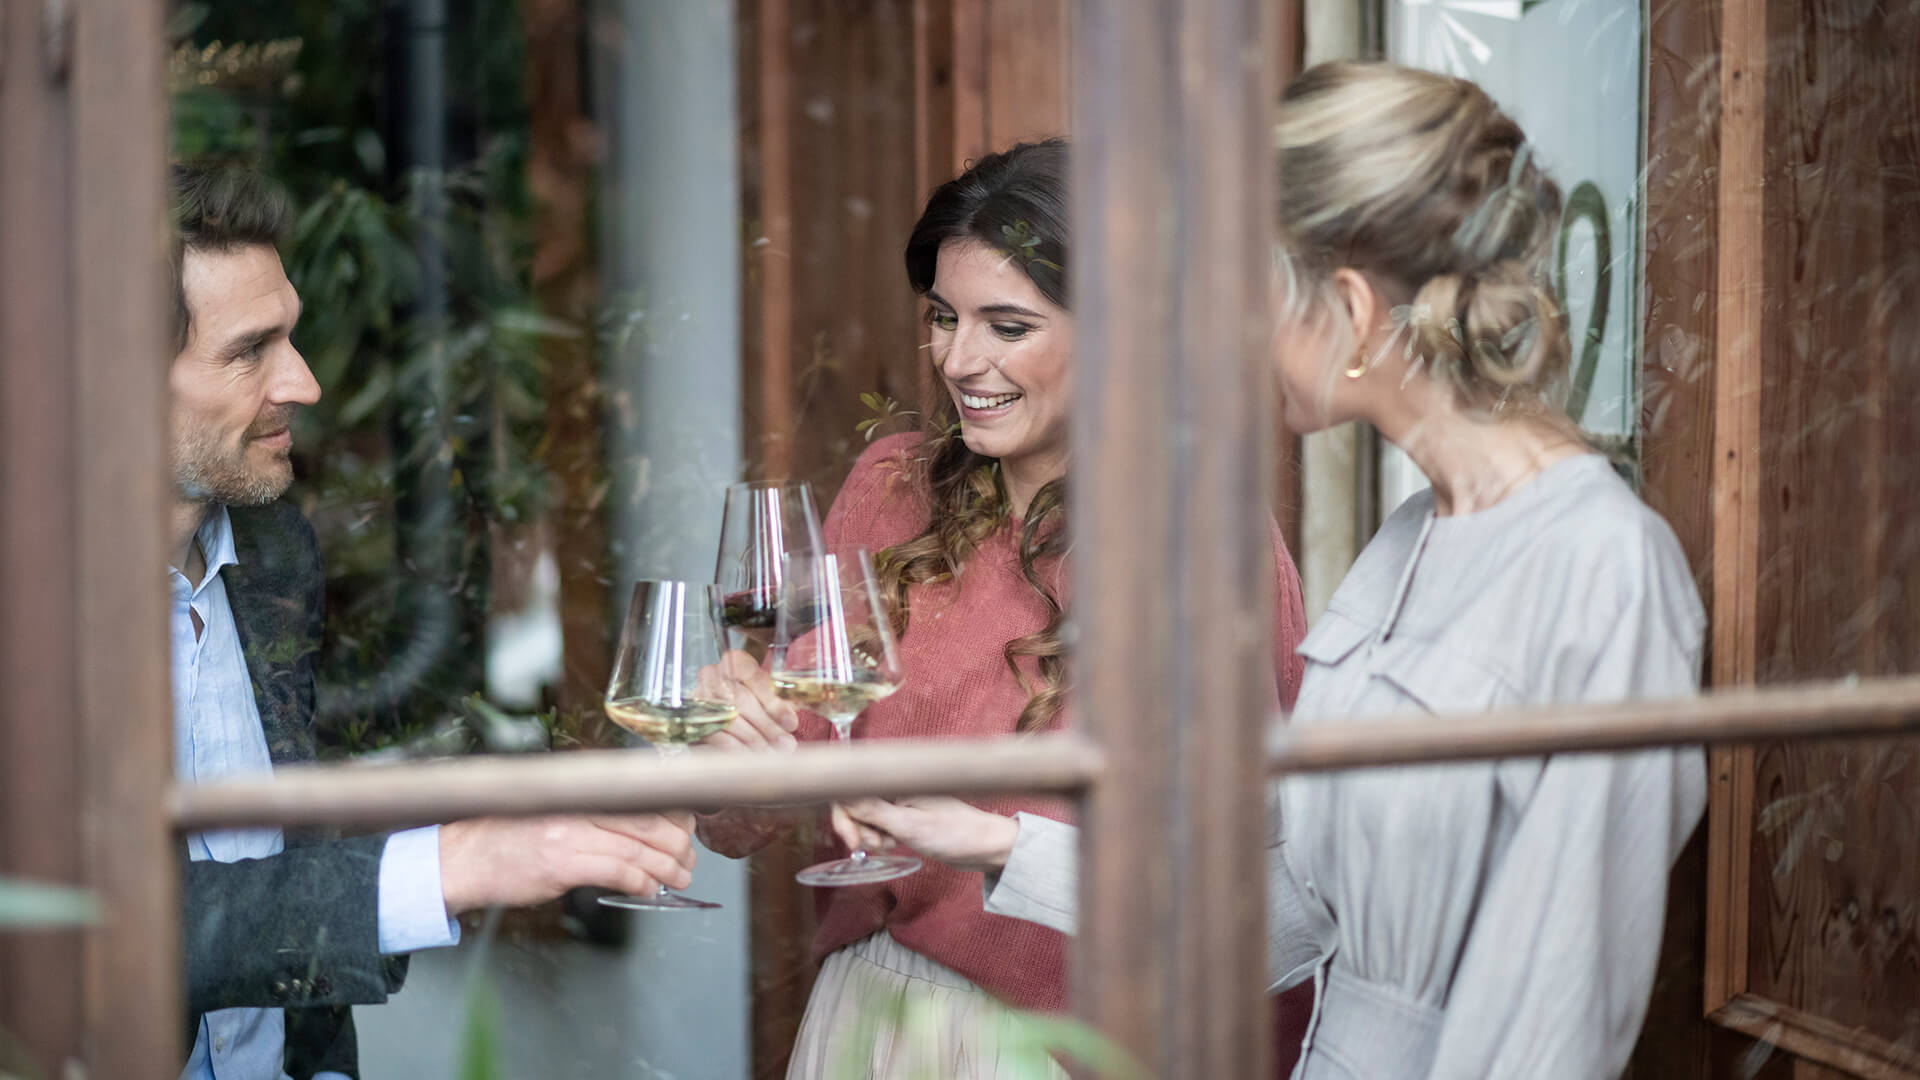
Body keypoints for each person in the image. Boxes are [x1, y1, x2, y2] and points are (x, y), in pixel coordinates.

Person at [838, 62, 1709, 1080]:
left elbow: (1558, 1023)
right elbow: (1293, 918)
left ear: (1349, 308)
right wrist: (991, 847)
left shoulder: (1599, 567)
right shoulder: (1414, 539)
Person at [700, 138, 1309, 1078]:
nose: (957, 357)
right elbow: (762, 806)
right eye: (944, 317)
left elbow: (1254, 885)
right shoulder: (895, 487)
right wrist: (735, 748)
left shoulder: (1199, 540)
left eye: (1008, 326)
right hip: (873, 1015)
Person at [167, 163, 699, 1080]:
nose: (306, 383)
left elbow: (280, 833)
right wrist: (461, 863)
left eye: (290, 336)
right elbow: (104, 929)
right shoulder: (37, 619)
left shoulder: (274, 550)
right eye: (250, 350)